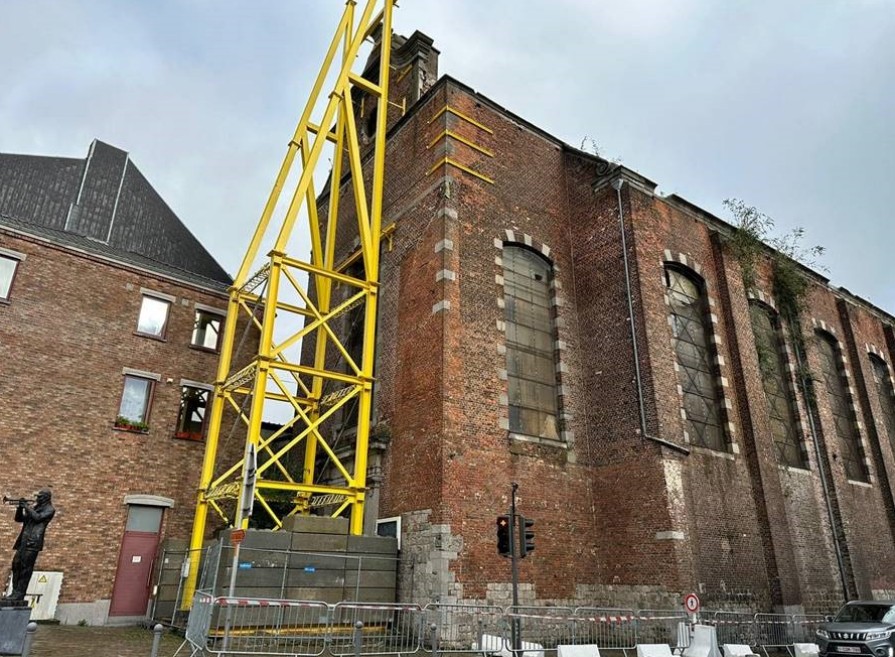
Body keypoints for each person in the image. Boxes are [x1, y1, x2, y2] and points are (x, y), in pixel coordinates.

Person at [7, 489, 55, 602]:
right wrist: (20, 507)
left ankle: (20, 594)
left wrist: (27, 507)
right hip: (23, 541)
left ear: (46, 498)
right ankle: (14, 591)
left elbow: (37, 518)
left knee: (26, 568)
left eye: (40, 497)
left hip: (33, 542)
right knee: (16, 565)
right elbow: (18, 519)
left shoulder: (50, 509)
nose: (37, 499)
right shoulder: (35, 508)